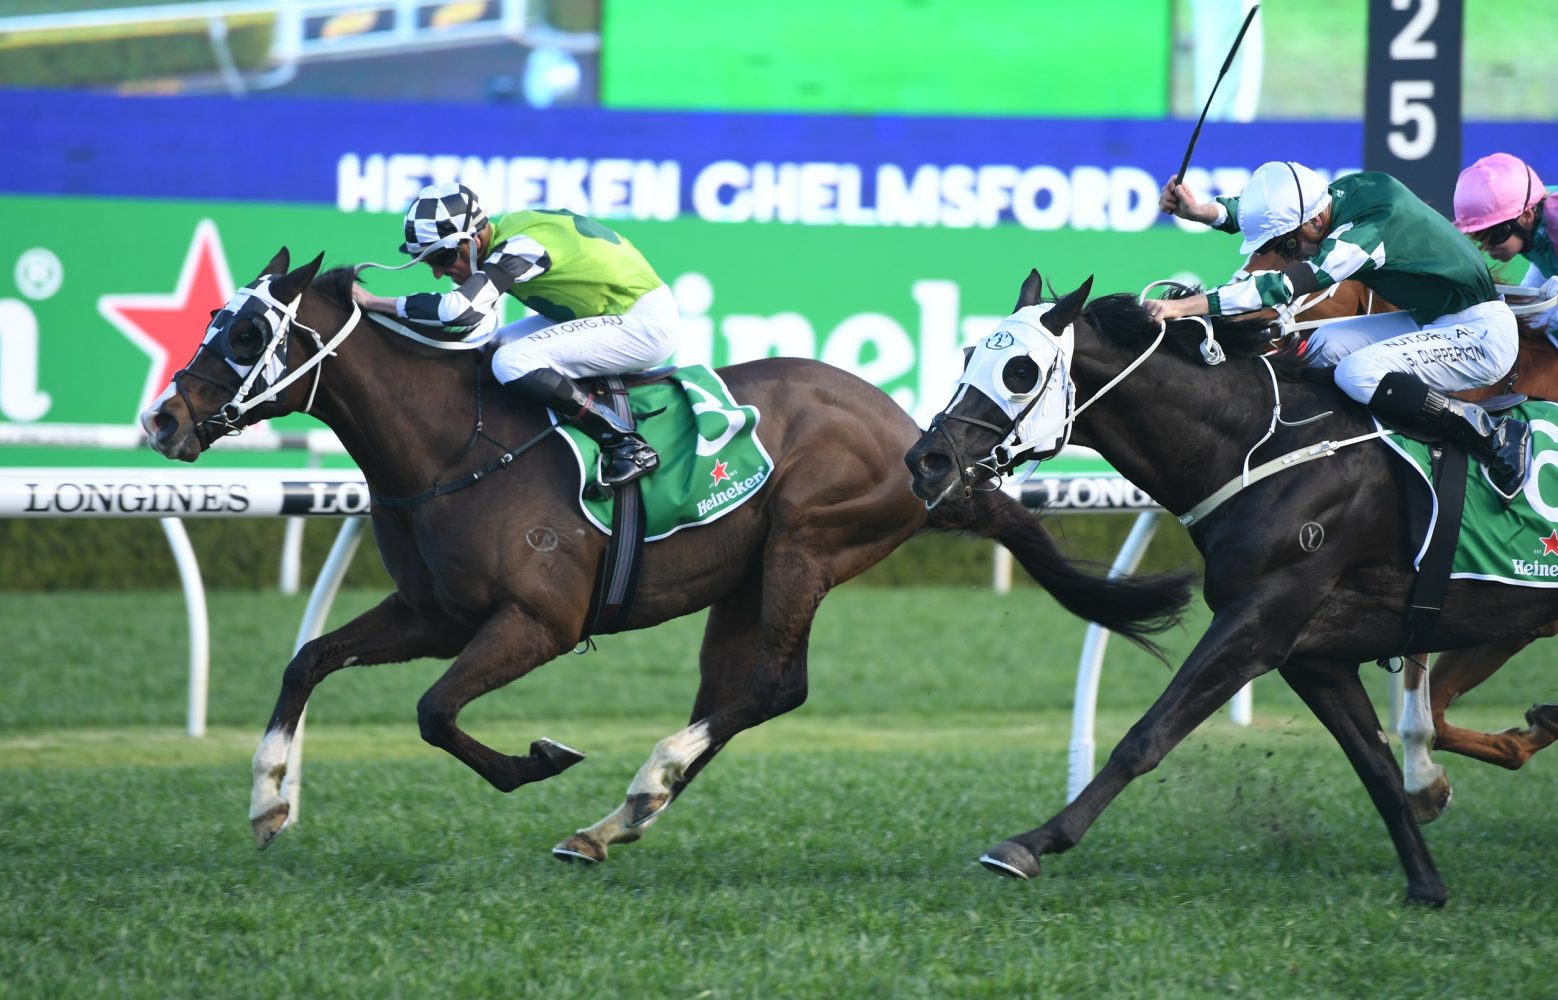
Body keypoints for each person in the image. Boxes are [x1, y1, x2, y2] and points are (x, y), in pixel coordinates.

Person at [1151, 161, 1530, 501]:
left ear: (1315, 223)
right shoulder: (1339, 196)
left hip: (1482, 336)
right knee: (1324, 347)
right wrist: (1202, 212)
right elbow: (1270, 215)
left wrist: (1184, 307)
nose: (1290, 256)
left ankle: (1494, 435)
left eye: (1288, 246)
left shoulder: (1366, 235)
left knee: (1357, 372)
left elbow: (1283, 285)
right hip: (1436, 320)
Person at [352, 182, 678, 489]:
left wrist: (373, 302)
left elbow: (460, 311)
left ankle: (624, 442)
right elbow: (472, 326)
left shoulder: (524, 245)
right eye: (428, 263)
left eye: (441, 258)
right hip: (604, 314)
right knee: (491, 348)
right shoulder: (509, 237)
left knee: (511, 361)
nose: (438, 273)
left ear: (473, 241)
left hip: (643, 322)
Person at [1453, 152, 1558, 336]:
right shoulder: (1533, 222)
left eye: (1494, 235)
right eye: (1480, 238)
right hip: (1548, 264)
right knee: (1524, 325)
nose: (1487, 248)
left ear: (1526, 217)